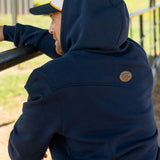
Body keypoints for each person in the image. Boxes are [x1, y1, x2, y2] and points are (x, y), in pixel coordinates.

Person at [0, 0, 160, 159]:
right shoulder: (136, 56)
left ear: (75, 21)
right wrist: (8, 31)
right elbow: (78, 50)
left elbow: (22, 152)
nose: (50, 29)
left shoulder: (52, 80)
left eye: (53, 20)